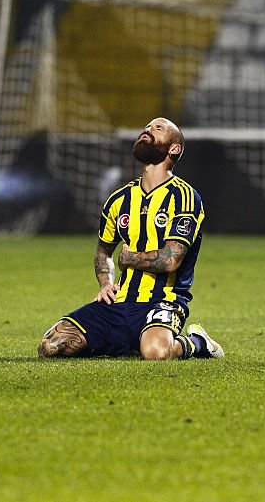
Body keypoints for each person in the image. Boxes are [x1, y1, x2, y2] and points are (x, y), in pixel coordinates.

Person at [39, 117, 223, 361]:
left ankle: (198, 343)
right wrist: (105, 283)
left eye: (158, 128)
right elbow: (103, 252)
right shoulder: (119, 199)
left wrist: (130, 258)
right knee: (51, 346)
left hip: (163, 301)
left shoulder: (184, 197)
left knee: (155, 353)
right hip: (121, 302)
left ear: (174, 148)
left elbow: (171, 260)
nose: (147, 130)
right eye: (146, 127)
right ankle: (124, 338)